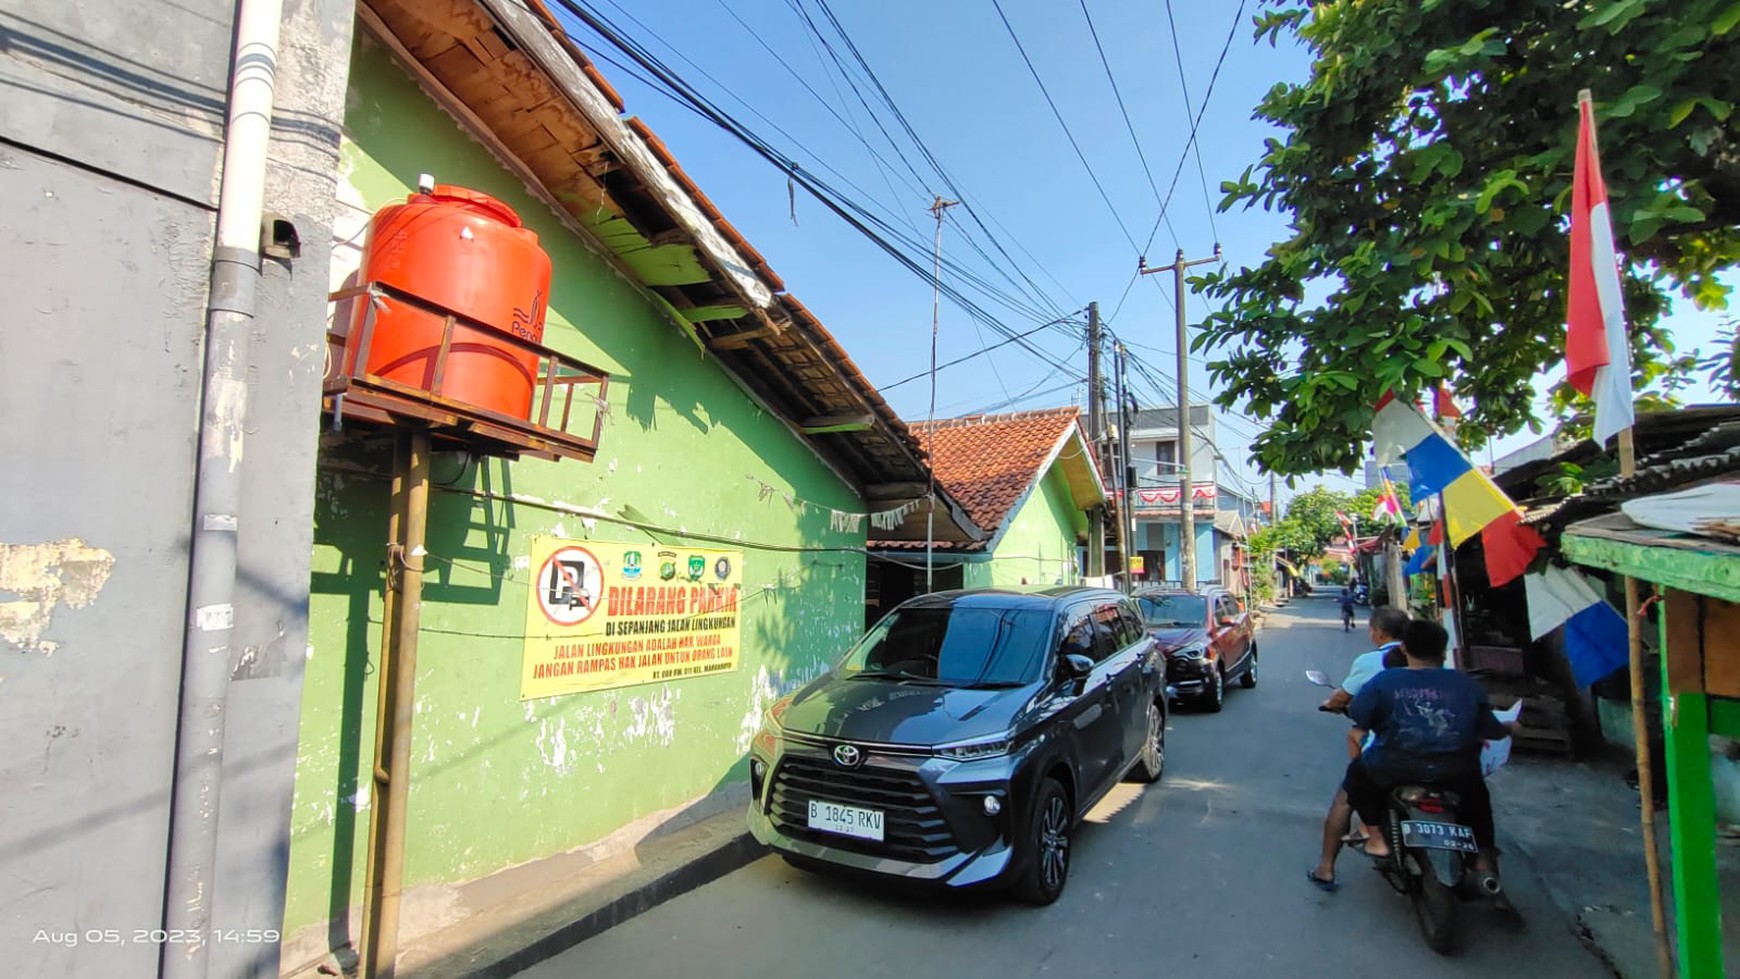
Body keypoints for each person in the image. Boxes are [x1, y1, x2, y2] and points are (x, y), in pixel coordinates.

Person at [1344, 620, 1518, 883]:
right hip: (1456, 770)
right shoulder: (1464, 684)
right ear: (1443, 650)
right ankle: (1483, 859)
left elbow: (1360, 716)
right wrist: (1510, 727)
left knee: (1356, 779)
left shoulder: (1385, 680)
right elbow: (1490, 729)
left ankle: (1377, 838)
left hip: (1393, 767)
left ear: (1403, 648)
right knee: (1478, 801)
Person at [1308, 607, 1409, 891]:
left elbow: (1345, 699)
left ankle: (1326, 868)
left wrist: (1332, 704)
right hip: (1442, 751)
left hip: (1388, 751)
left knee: (1346, 797)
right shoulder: (1435, 664)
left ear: (1377, 632)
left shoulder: (1374, 662)